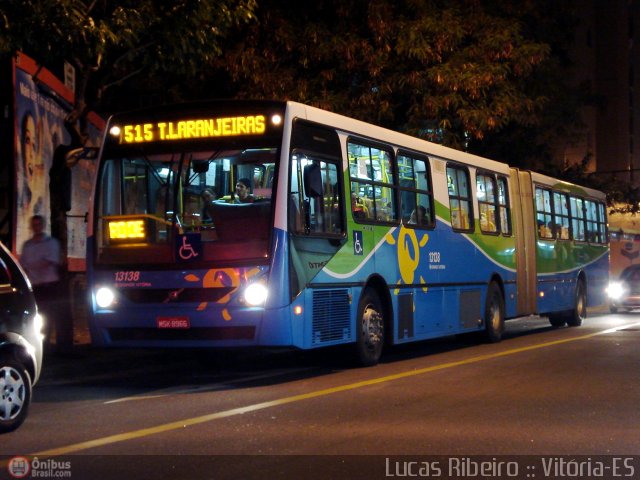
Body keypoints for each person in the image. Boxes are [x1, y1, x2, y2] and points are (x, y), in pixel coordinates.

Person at [20, 215, 71, 353]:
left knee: (52, 316)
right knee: (40, 317)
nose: (36, 228)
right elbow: (23, 265)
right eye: (34, 225)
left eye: (38, 225)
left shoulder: (51, 243)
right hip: (35, 287)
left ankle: (59, 346)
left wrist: (33, 266)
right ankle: (43, 344)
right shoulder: (27, 246)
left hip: (50, 286)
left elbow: (50, 262)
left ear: (42, 226)